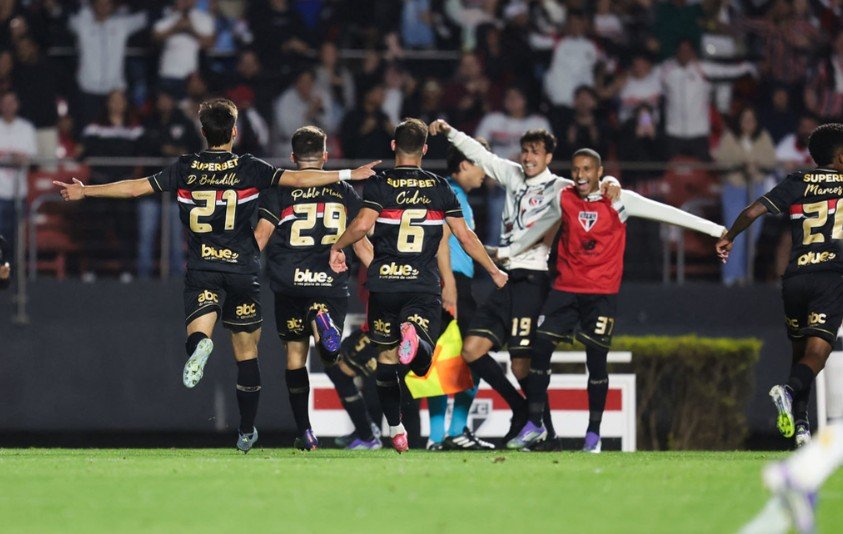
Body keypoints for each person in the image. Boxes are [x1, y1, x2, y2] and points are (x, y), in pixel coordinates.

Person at [54, 98, 378, 453]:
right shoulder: (250, 167)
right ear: (235, 132)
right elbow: (298, 177)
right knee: (247, 352)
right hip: (241, 270)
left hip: (203, 268)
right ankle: (246, 430)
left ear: (203, 131)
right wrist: (350, 174)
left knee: (200, 330)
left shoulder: (185, 167)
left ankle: (200, 346)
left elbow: (135, 188)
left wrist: (85, 191)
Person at [506, 148, 726, 452]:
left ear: (599, 173)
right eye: (576, 169)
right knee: (540, 345)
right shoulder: (564, 197)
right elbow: (538, 229)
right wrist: (503, 253)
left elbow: (670, 213)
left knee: (595, 362)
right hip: (566, 291)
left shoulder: (621, 200)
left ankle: (593, 434)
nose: (580, 175)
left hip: (600, 295)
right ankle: (536, 424)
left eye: (587, 170)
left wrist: (717, 231)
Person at [429, 118, 619, 449]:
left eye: (536, 152)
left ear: (548, 157)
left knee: (521, 364)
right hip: (507, 278)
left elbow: (595, 185)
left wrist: (611, 180)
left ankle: (543, 430)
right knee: (472, 349)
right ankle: (522, 412)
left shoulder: (562, 187)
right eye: (525, 150)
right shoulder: (512, 175)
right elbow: (480, 155)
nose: (528, 157)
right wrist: (450, 133)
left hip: (535, 279)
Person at [328, 118, 508, 453]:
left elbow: (362, 225)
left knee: (386, 362)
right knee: (421, 362)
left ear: (394, 147)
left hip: (384, 286)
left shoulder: (380, 185)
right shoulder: (440, 187)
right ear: (425, 150)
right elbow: (465, 238)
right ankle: (413, 334)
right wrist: (494, 270)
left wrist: (337, 247)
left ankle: (396, 430)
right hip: (422, 286)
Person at [717, 123, 843, 449]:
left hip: (796, 277)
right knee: (817, 353)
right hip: (831, 276)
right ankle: (787, 393)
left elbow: (753, 210)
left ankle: (801, 427)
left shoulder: (798, 180)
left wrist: (729, 237)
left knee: (800, 354)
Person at [253, 125, 379, 451]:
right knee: (330, 356)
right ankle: (320, 319)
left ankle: (306, 432)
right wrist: (383, 278)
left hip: (289, 283)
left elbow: (261, 237)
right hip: (329, 283)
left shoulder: (278, 190)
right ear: (326, 156)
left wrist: (238, 270)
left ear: (293, 158)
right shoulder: (344, 192)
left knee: (295, 359)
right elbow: (363, 242)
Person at [426, 139, 494, 451]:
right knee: (475, 355)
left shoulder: (456, 194)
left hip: (449, 282)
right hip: (452, 285)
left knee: (442, 359)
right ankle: (453, 433)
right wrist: (450, 283)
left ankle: (439, 437)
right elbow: (441, 235)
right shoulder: (451, 192)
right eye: (483, 163)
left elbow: (463, 241)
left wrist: (493, 256)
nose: (487, 172)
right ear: (464, 164)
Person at [714, 106, 777, 286]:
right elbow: (722, 161)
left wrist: (755, 165)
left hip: (756, 190)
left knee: (752, 235)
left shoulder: (762, 137)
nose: (749, 123)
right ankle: (730, 277)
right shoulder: (730, 137)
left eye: (752, 119)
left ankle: (745, 276)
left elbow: (771, 160)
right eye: (745, 118)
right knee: (735, 234)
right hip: (735, 188)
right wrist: (741, 164)